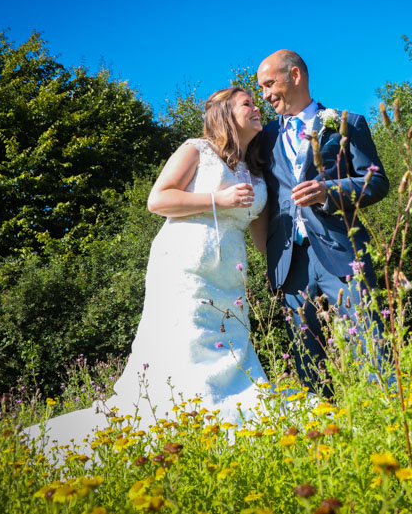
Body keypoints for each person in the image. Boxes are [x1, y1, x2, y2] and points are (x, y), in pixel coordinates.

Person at [25, 87, 270, 456]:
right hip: (184, 262)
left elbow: (263, 238)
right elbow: (158, 200)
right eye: (247, 103)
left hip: (230, 272)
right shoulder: (196, 150)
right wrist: (216, 199)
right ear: (224, 113)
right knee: (187, 337)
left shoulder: (257, 172)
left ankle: (233, 416)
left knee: (230, 340)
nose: (257, 107)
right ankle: (180, 419)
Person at [256, 50, 391, 398]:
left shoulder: (347, 123)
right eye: (261, 88)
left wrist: (329, 191)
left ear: (295, 75)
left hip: (341, 251)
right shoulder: (263, 137)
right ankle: (321, 423)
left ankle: (387, 412)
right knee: (306, 358)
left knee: (370, 343)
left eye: (269, 84)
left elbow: (377, 182)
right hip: (289, 261)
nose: (266, 95)